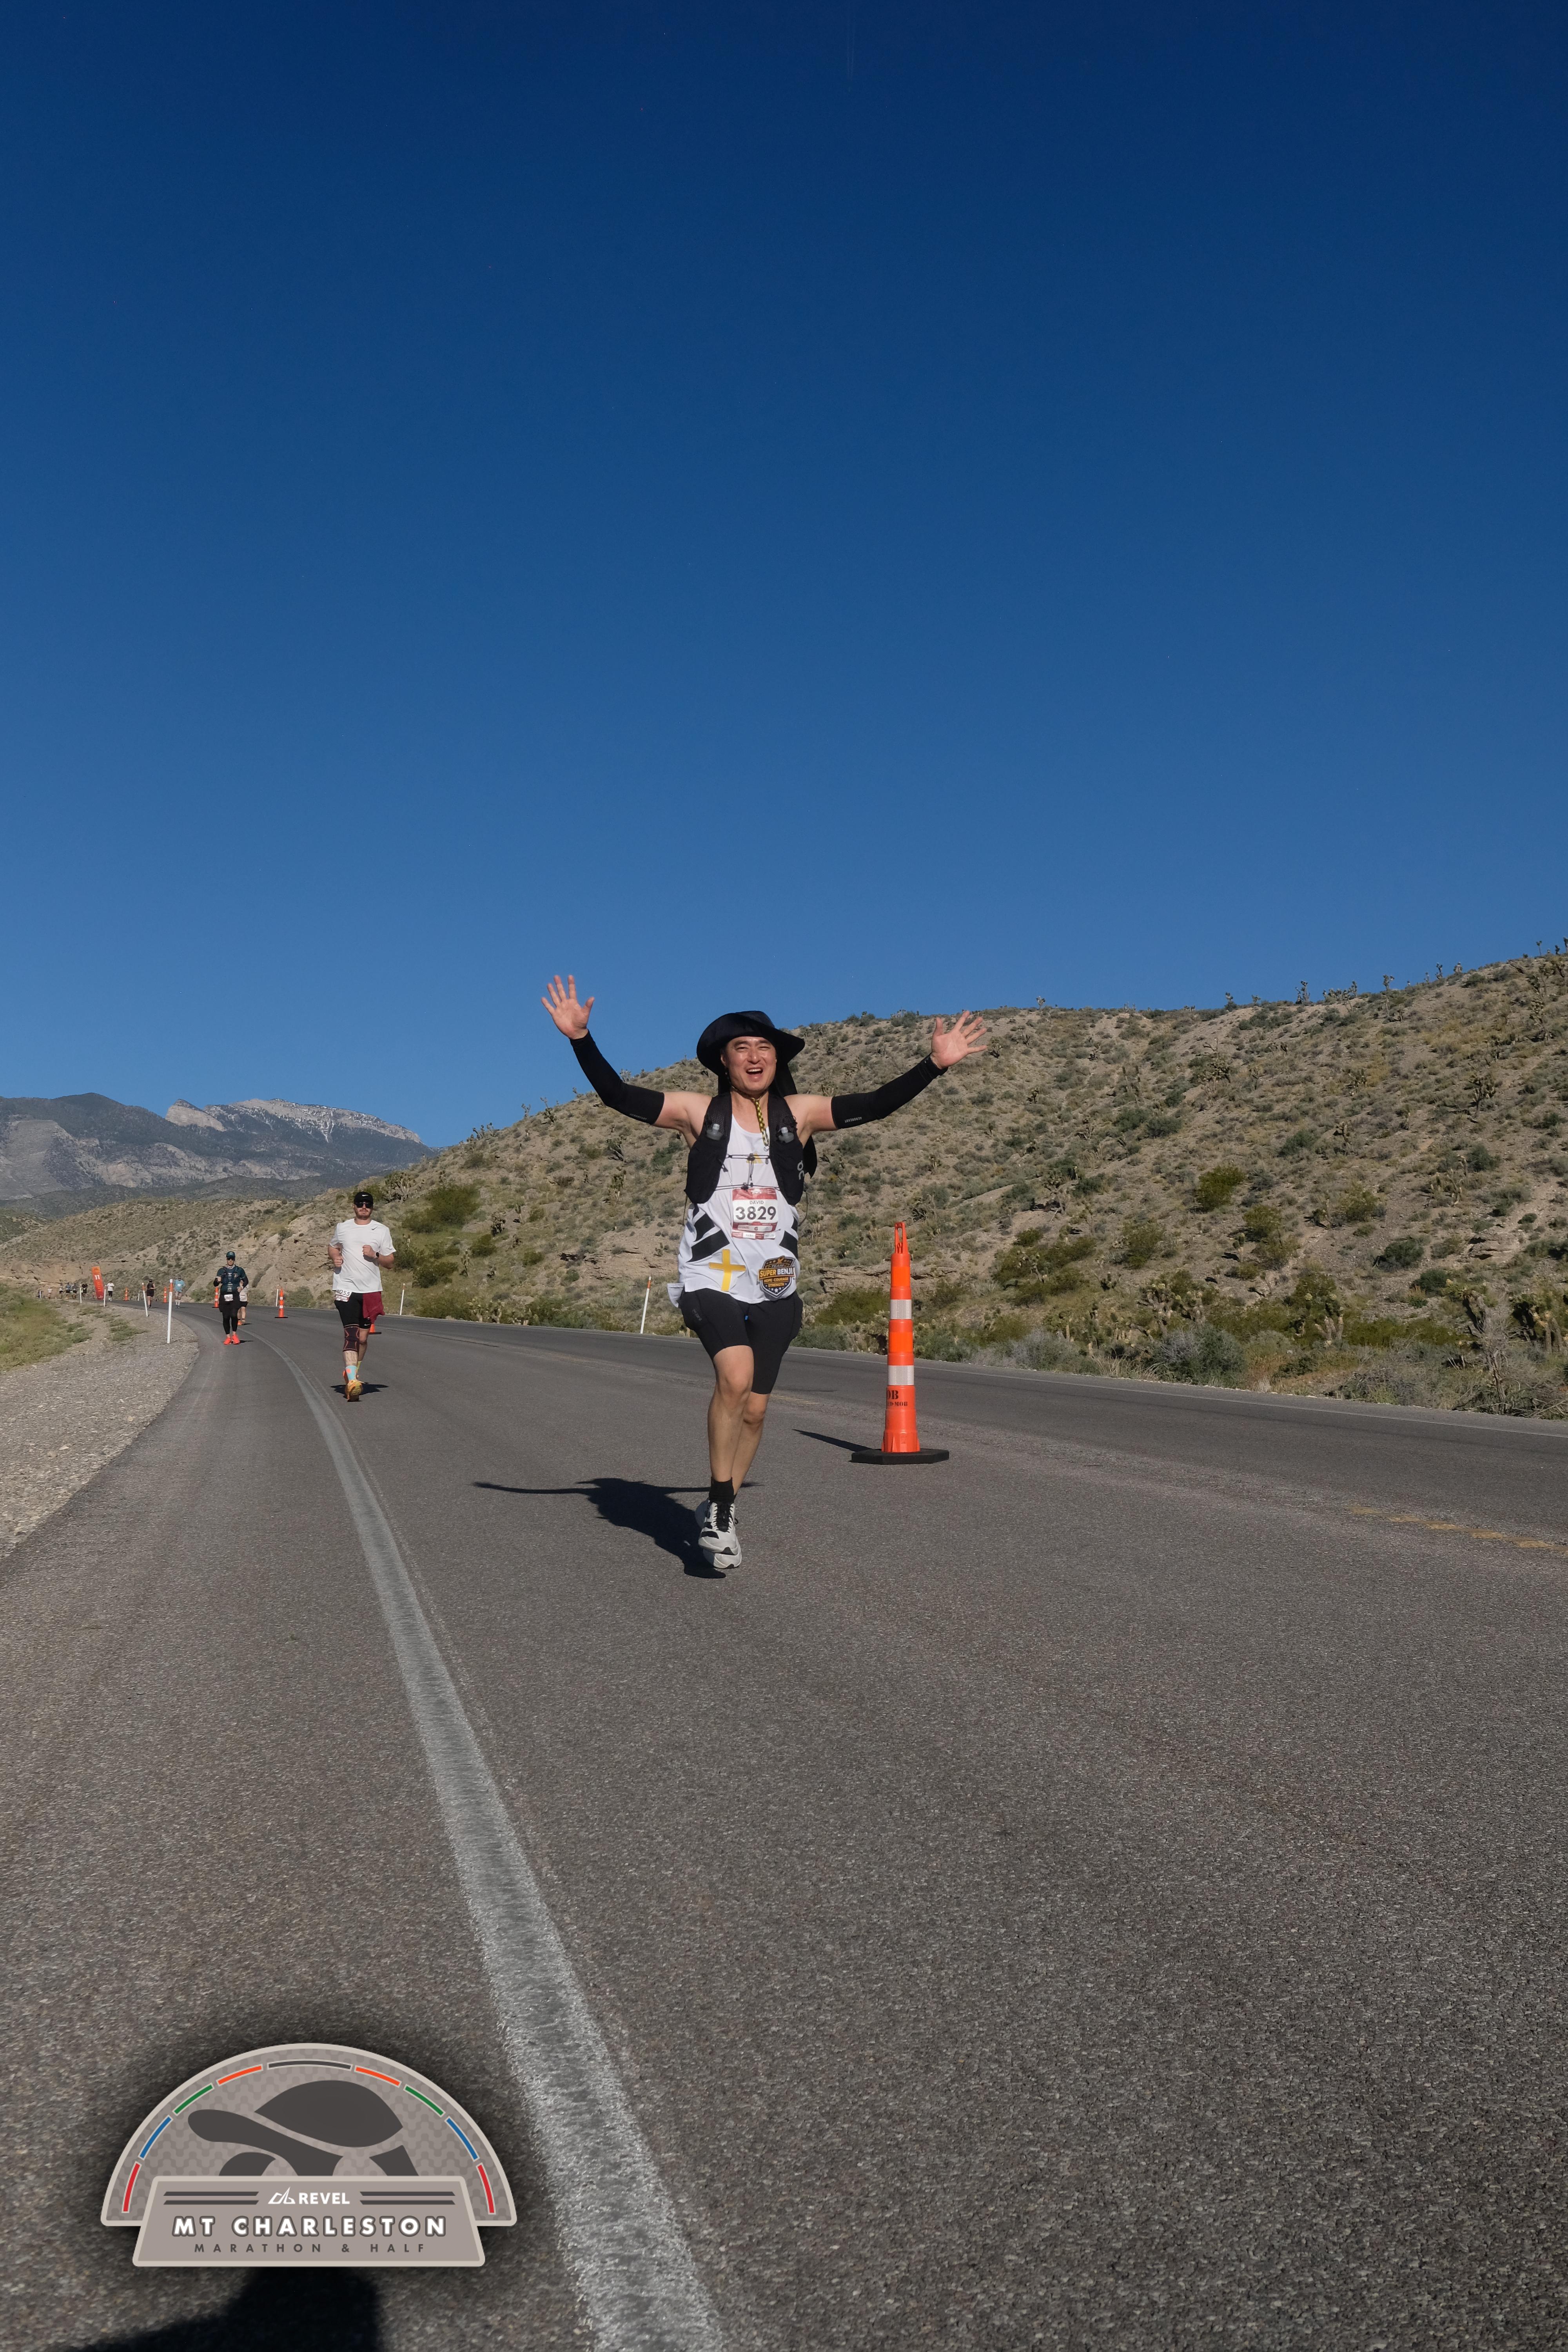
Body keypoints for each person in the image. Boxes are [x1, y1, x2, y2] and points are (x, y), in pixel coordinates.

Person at [543, 975, 987, 1567]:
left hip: (777, 1282)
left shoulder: (799, 1115)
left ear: (778, 1059)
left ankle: (718, 1504)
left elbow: (875, 1105)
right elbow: (618, 1095)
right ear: (723, 1061)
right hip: (710, 1274)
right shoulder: (697, 1112)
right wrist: (581, 1040)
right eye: (741, 1048)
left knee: (755, 1408)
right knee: (735, 1378)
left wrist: (934, 1065)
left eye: (764, 1048)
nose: (754, 1057)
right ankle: (722, 1512)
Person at [329, 1188, 396, 1401]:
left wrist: (375, 1255)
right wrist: (335, 1257)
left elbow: (390, 1263)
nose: (364, 1207)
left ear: (372, 1208)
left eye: (368, 1204)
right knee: (351, 1335)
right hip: (346, 1287)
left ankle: (353, 1372)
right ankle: (352, 1380)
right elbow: (333, 1247)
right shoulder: (343, 1228)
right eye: (360, 1204)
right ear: (354, 1206)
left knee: (363, 1339)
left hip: (370, 1290)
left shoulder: (381, 1230)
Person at [213, 1251, 248, 1344]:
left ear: (235, 1260)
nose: (231, 1260)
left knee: (234, 1315)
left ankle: (235, 1335)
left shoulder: (239, 1270)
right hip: (224, 1296)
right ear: (227, 1259)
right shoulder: (221, 1271)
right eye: (229, 1259)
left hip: (235, 1295)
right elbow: (215, 1284)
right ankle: (228, 1337)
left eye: (232, 1259)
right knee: (226, 1317)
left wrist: (242, 1287)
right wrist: (218, 1281)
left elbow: (246, 1281)